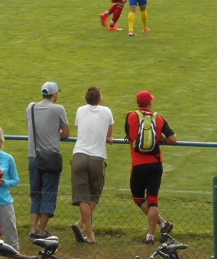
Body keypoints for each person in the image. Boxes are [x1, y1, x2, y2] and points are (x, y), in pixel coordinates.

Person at [125, 91, 176, 244]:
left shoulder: (131, 116)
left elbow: (130, 136)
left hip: (138, 163)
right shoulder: (158, 118)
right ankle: (153, 234)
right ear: (150, 103)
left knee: (138, 197)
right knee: (153, 200)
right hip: (155, 163)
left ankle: (163, 224)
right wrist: (161, 138)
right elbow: (173, 139)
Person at [26, 82, 70, 238]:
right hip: (51, 157)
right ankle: (43, 231)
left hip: (33, 157)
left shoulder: (30, 108)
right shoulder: (58, 109)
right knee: (49, 193)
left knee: (36, 193)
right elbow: (65, 133)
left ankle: (33, 229)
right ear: (55, 94)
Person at [70, 86, 114, 243]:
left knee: (82, 197)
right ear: (99, 98)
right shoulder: (107, 112)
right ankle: (85, 229)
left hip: (79, 155)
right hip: (97, 157)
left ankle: (87, 231)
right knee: (94, 195)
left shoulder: (80, 110)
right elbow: (109, 135)